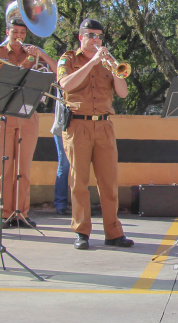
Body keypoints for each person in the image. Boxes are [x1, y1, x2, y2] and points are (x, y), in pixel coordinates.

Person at [57, 18, 133, 250]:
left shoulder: (108, 63)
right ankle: (82, 232)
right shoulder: (68, 59)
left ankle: (113, 232)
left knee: (109, 182)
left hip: (104, 126)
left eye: (99, 36)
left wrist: (114, 68)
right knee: (79, 182)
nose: (96, 40)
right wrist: (91, 63)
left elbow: (122, 93)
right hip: (77, 126)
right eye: (91, 35)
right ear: (81, 37)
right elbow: (65, 84)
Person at [0, 16, 57, 228]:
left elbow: (57, 71)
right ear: (8, 32)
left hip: (27, 114)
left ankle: (21, 212)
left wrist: (41, 54)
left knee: (23, 168)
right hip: (3, 114)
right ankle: (4, 214)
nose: (19, 36)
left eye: (23, 33)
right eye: (15, 32)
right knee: (4, 166)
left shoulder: (33, 53)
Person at [51, 96, 70, 216]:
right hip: (62, 129)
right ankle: (60, 204)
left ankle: (83, 204)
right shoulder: (63, 79)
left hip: (79, 129)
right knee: (64, 166)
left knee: (80, 167)